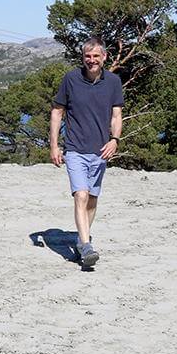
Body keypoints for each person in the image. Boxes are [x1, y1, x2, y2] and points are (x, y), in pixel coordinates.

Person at [49, 39, 124, 268]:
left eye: (95, 56)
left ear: (104, 57)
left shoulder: (113, 81)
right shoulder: (71, 79)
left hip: (100, 152)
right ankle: (87, 245)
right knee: (80, 195)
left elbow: (116, 115)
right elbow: (57, 112)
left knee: (92, 200)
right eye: (87, 57)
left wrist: (115, 140)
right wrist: (54, 146)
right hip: (75, 149)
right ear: (83, 58)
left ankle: (82, 241)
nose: (91, 60)